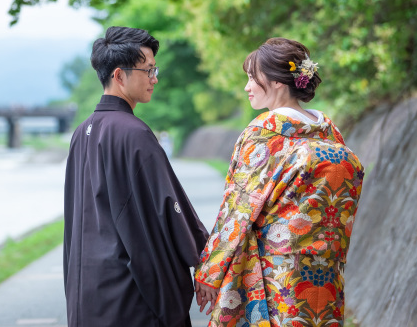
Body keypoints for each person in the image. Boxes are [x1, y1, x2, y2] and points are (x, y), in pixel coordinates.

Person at [194, 38, 363, 327]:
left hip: (274, 277)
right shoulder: (328, 131)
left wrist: (210, 271)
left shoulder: (263, 133)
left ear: (275, 81)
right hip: (324, 272)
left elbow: (238, 208)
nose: (247, 87)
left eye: (251, 78)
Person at [64, 26, 209, 327]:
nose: (154, 79)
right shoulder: (133, 133)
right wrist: (204, 259)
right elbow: (168, 208)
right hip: (130, 294)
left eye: (155, 69)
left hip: (88, 289)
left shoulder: (83, 131)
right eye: (148, 70)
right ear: (119, 76)